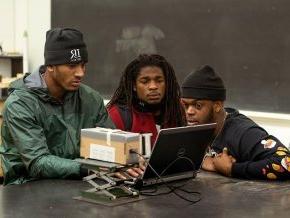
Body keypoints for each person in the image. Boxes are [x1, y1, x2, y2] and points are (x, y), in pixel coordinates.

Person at [0, 28, 115, 185]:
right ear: (51, 66)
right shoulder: (20, 104)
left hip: (79, 183)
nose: (80, 73)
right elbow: (37, 163)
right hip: (28, 188)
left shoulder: (91, 98)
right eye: (72, 66)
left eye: (83, 65)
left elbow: (112, 143)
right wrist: (89, 168)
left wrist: (130, 161)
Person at [181, 65, 290, 180]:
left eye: (198, 106)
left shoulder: (243, 133)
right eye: (185, 105)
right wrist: (203, 160)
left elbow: (286, 163)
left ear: (217, 106)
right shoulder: (193, 125)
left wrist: (232, 168)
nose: (189, 112)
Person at [107, 54, 186, 145]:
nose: (153, 86)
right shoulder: (118, 115)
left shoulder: (178, 109)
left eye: (159, 81)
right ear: (134, 86)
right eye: (145, 81)